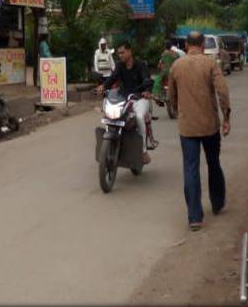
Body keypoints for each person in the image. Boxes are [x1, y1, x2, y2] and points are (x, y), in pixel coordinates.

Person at [168, 31, 231, 231]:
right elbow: (222, 91)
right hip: (209, 125)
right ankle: (217, 203)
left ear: (186, 45)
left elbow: (171, 96)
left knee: (191, 169)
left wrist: (178, 109)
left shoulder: (177, 65)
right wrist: (226, 117)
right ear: (203, 45)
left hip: (188, 128)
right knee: (214, 163)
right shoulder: (210, 63)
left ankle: (195, 218)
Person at [96, 42, 156, 162]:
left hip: (140, 98)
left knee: (139, 117)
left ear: (130, 51)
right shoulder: (119, 66)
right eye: (119, 53)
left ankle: (143, 151)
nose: (120, 55)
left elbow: (147, 79)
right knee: (111, 115)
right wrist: (103, 86)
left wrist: (147, 91)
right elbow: (112, 78)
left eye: (122, 52)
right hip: (124, 99)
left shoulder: (141, 65)